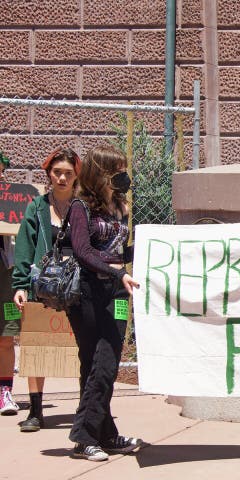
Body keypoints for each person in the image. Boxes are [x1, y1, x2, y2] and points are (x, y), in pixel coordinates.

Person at [67, 144, 141, 462]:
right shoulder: (81, 208)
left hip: (118, 295)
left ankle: (101, 434)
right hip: (88, 293)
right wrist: (114, 271)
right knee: (96, 364)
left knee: (107, 363)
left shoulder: (120, 208)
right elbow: (83, 251)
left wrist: (156, 247)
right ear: (102, 174)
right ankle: (89, 437)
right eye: (117, 170)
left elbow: (121, 253)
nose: (124, 176)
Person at [11, 147, 81, 432]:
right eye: (57, 173)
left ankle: (84, 408)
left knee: (80, 347)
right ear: (49, 175)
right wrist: (19, 285)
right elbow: (25, 247)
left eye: (68, 173)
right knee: (37, 345)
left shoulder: (83, 206)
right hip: (43, 285)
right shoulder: (36, 207)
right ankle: (36, 411)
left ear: (76, 176)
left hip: (76, 287)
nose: (62, 178)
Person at [0, 153, 20, 417]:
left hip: (7, 272)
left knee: (7, 334)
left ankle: (5, 391)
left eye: (2, 171)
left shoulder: (12, 203)